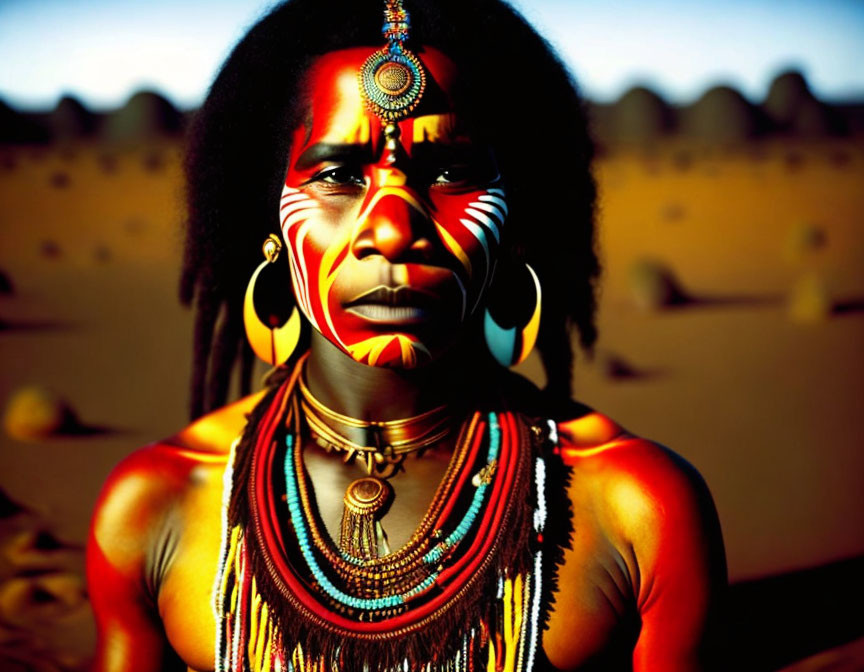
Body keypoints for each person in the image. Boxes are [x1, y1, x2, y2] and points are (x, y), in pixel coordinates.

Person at [86, 0, 727, 670]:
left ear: (517, 223)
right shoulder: (159, 506)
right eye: (337, 174)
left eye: (450, 172)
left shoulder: (634, 508)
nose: (392, 229)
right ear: (266, 223)